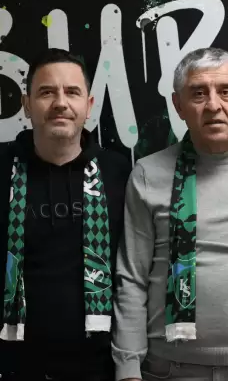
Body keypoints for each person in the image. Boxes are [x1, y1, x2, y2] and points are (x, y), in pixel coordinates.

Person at [112, 47, 228, 381]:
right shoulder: (148, 174)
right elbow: (131, 278)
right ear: (178, 105)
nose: (213, 105)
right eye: (198, 93)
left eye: (226, 91)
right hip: (170, 369)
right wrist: (128, 368)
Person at [0, 48, 131, 380]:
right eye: (46, 92)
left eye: (72, 92)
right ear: (27, 104)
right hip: (13, 367)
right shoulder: (2, 166)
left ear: (88, 105)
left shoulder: (119, 173)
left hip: (99, 368)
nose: (60, 103)